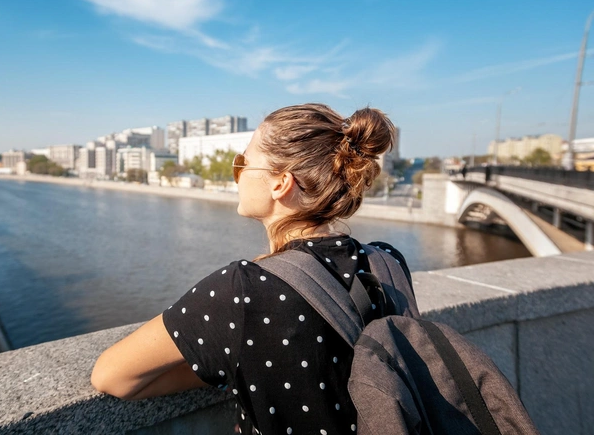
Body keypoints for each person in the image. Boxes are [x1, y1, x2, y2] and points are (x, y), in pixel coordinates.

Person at [91, 104, 415, 435]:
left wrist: (229, 362)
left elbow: (111, 376)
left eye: (243, 163)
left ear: (281, 183)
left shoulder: (244, 290)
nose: (238, 173)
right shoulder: (388, 262)